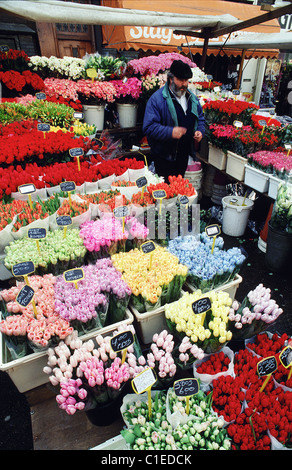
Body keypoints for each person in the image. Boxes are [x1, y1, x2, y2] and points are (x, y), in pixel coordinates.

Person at [142, 59, 206, 182]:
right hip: (164, 157)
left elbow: (200, 118)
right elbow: (149, 127)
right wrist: (170, 132)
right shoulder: (157, 99)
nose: (184, 84)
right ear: (171, 79)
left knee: (178, 187)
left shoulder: (192, 98)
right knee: (165, 191)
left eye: (186, 80)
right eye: (181, 80)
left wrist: (200, 131)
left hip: (183, 154)